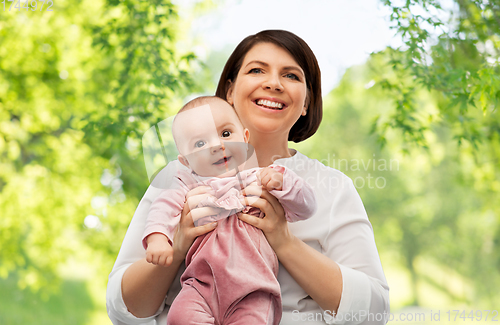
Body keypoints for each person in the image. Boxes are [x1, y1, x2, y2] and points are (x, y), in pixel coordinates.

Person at [107, 29, 390, 325]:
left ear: (306, 102)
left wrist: (284, 241)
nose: (273, 83)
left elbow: (372, 313)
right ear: (229, 90)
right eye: (257, 70)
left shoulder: (331, 187)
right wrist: (178, 246)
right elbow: (123, 310)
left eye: (291, 76)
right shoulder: (178, 177)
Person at [142, 96, 316, 324]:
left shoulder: (261, 178)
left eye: (225, 134)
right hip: (199, 287)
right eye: (200, 144)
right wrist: (157, 239)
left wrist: (283, 183)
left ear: (244, 138)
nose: (217, 146)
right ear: (186, 162)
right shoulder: (188, 187)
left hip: (253, 289)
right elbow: (163, 208)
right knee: (179, 316)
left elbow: (306, 208)